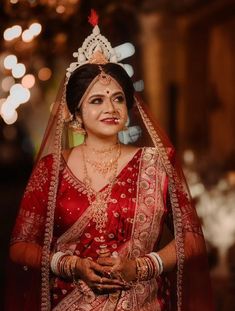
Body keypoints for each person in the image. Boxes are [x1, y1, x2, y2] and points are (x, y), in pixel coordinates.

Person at [6, 10, 214, 311]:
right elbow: (20, 246)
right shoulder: (51, 170)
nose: (111, 107)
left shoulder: (157, 164)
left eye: (118, 98)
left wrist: (142, 267)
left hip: (145, 303)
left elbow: (192, 239)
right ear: (75, 115)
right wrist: (72, 265)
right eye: (96, 100)